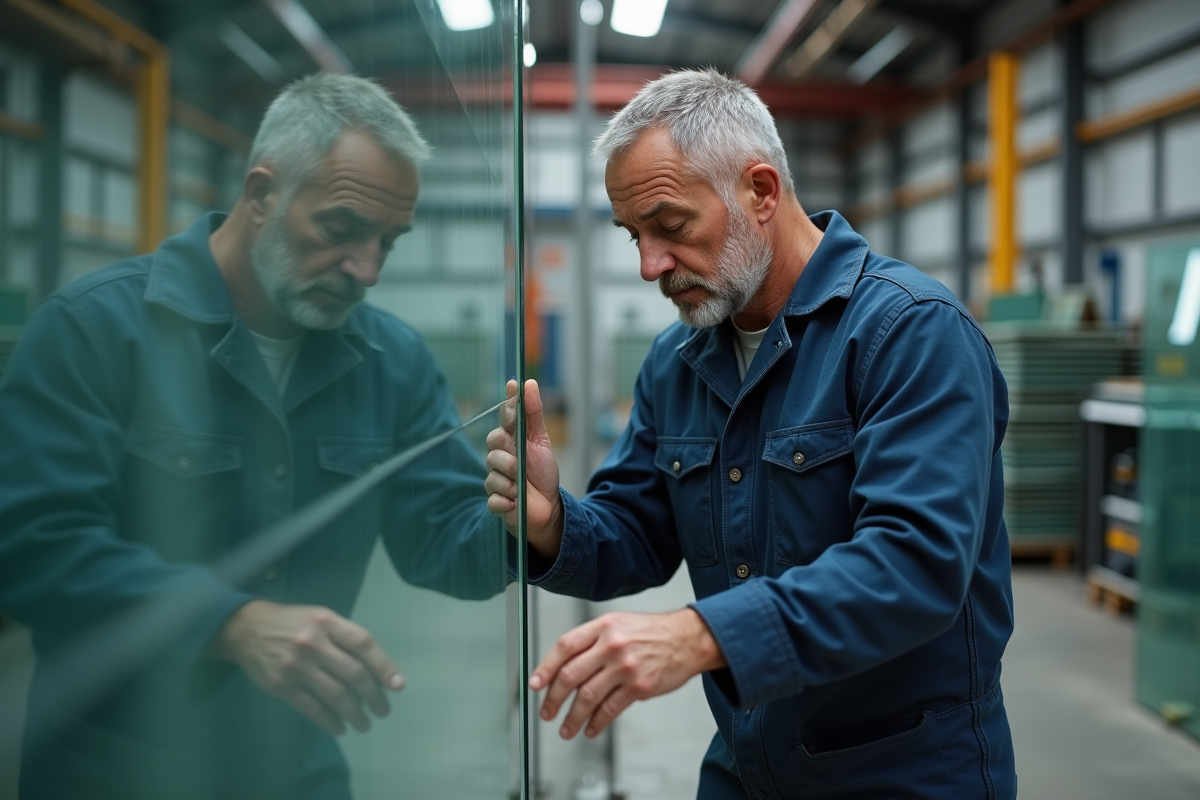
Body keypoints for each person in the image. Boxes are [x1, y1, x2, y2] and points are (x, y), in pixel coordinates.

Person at [486, 68, 1015, 799]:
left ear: (761, 192)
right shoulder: (677, 362)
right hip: (748, 766)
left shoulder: (910, 333)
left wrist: (699, 636)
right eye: (633, 235)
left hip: (902, 774)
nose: (649, 266)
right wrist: (550, 524)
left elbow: (915, 564)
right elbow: (637, 530)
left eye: (670, 227)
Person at [0, 73, 504, 800]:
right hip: (113, 770)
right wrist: (226, 622)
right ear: (262, 195)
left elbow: (442, 542)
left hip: (295, 769)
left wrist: (526, 520)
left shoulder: (393, 363)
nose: (366, 268)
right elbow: (31, 546)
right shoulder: (93, 331)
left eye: (388, 242)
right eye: (340, 229)